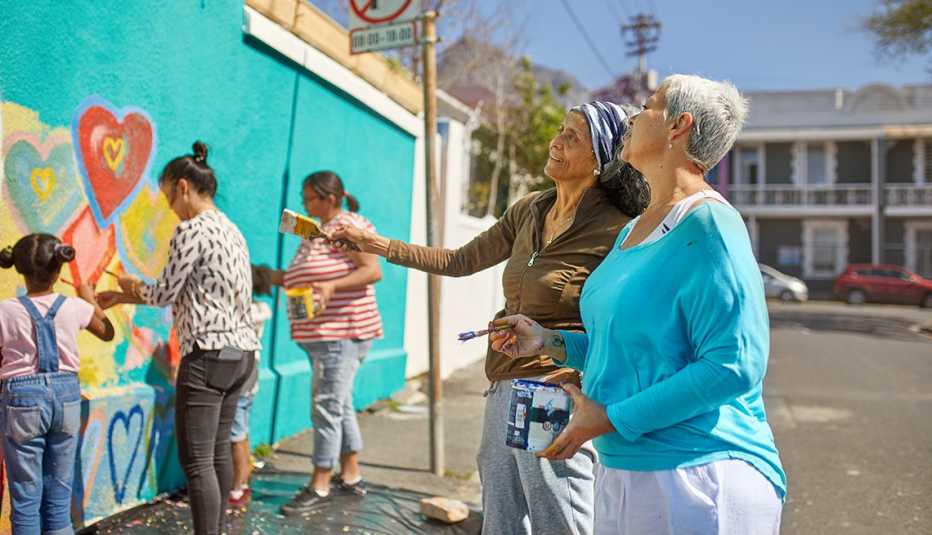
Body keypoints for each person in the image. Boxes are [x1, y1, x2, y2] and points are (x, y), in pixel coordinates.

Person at [329, 102, 649, 535]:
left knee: (558, 517)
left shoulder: (620, 230)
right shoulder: (530, 209)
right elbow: (459, 260)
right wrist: (375, 243)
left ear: (601, 160)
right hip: (503, 382)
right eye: (560, 128)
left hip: (556, 390)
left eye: (573, 137)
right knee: (500, 518)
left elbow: (628, 323)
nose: (556, 141)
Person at [491, 75, 786, 535]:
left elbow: (736, 365)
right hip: (624, 466)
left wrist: (610, 417)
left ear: (678, 125)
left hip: (699, 474)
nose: (631, 116)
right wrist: (548, 340)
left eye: (647, 106)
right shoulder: (633, 231)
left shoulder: (711, 225)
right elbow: (627, 347)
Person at [98, 141, 259, 535]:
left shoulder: (191, 230)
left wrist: (130, 283)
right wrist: (122, 295)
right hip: (242, 355)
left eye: (168, 193)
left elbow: (164, 293)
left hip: (207, 354)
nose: (169, 204)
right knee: (218, 449)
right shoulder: (230, 229)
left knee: (198, 461)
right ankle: (217, 529)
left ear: (182, 186)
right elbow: (194, 289)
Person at [268, 171, 383, 516]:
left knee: (326, 406)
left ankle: (319, 483)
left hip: (342, 334)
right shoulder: (314, 233)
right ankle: (350, 475)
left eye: (309, 199)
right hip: (321, 336)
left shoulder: (349, 225)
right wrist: (264, 276)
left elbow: (371, 270)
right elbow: (301, 278)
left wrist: (332, 288)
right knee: (340, 404)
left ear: (328, 198)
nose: (304, 205)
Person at [0, 234, 114, 535]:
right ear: (59, 268)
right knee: (59, 497)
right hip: (66, 400)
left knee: (25, 499)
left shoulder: (6, 310)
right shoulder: (74, 307)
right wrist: (88, 297)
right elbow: (107, 332)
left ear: (19, 269)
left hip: (22, 401)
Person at [228, 265, 273, 507]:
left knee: (235, 435)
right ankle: (242, 483)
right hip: (250, 375)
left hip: (239, 373)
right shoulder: (262, 309)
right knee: (241, 433)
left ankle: (237, 488)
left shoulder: (246, 312)